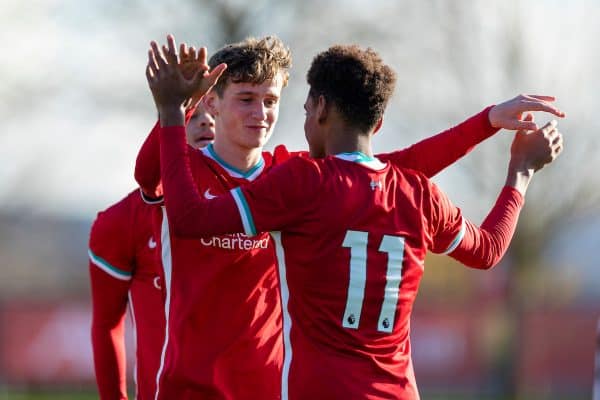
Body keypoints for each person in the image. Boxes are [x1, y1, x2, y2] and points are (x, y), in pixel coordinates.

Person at [139, 35, 563, 399]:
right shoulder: (412, 192)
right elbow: (481, 243)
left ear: (319, 108)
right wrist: (515, 168)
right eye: (247, 99)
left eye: (278, 102)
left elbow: (190, 218)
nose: (263, 113)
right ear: (378, 123)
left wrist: (173, 110)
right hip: (210, 386)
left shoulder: (299, 181)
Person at [88, 105, 215, 400]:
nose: (206, 120)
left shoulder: (258, 199)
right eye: (193, 112)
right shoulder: (121, 222)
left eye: (215, 111)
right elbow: (107, 324)